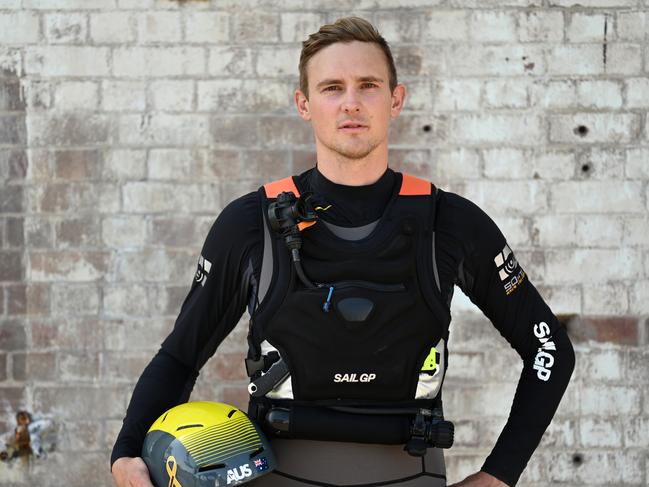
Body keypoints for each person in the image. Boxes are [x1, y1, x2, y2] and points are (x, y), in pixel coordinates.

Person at [111, 17, 575, 487]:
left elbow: (549, 348)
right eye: (332, 87)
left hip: (408, 472)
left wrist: (499, 475)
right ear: (304, 104)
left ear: (396, 99)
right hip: (277, 472)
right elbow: (180, 356)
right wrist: (126, 452)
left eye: (368, 85)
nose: (351, 102)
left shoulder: (451, 223)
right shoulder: (250, 223)